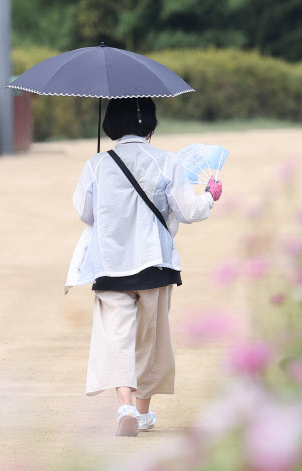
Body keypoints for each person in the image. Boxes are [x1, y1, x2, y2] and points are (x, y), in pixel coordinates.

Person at [64, 97, 222, 436]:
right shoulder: (168, 162)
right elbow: (188, 211)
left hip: (110, 265)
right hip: (155, 264)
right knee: (150, 340)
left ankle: (124, 407)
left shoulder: (96, 164)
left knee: (117, 337)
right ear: (150, 126)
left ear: (111, 125)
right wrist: (210, 195)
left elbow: (86, 214)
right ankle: (143, 412)